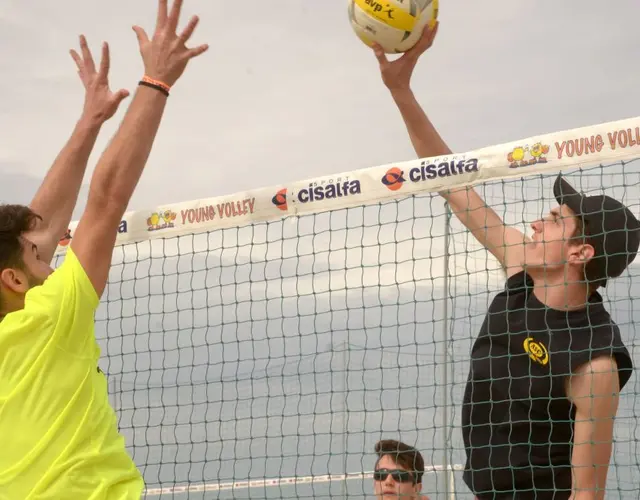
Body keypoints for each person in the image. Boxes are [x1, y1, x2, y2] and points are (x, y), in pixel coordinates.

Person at [372, 22, 638, 500]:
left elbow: (588, 493)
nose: (537, 223)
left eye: (556, 220)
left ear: (580, 253)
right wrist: (400, 91)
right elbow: (450, 179)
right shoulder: (520, 273)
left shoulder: (596, 363)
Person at [0, 1, 208, 497]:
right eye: (39, 259)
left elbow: (38, 226)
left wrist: (89, 123)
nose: (49, 260)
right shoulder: (50, 317)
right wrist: (156, 82)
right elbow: (106, 199)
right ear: (13, 280)